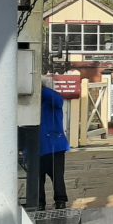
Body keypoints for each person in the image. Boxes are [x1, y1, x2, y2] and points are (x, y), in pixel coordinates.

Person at [39, 76, 70, 210]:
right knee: (44, 178)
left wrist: (40, 89)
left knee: (54, 177)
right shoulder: (49, 100)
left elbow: (58, 100)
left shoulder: (52, 99)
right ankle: (44, 202)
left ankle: (56, 201)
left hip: (51, 145)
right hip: (49, 145)